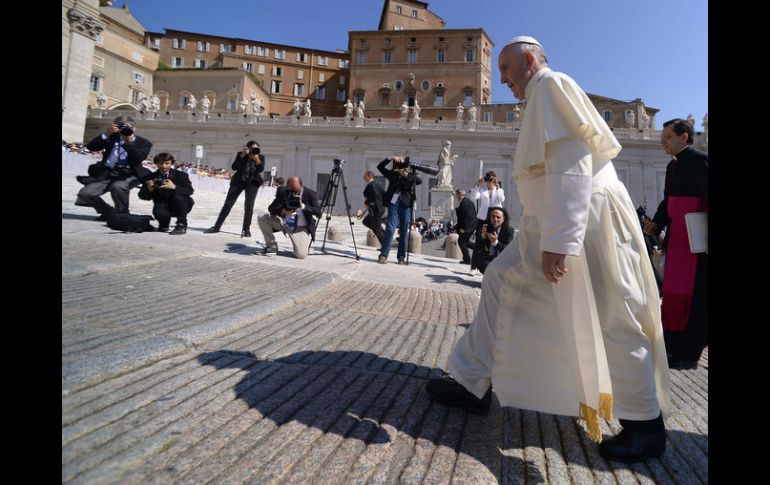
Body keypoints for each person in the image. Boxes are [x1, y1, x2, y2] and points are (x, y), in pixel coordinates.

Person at [426, 35, 670, 464]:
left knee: (613, 311)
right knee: (498, 282)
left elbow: (571, 165)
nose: (503, 80)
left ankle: (645, 424)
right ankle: (471, 382)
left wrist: (561, 241)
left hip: (584, 220)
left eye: (505, 69)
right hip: (552, 223)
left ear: (528, 59)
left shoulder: (552, 84)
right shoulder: (539, 96)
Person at [644, 118, 708, 371]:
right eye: (662, 138)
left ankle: (689, 353)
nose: (663, 142)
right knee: (673, 292)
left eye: (668, 137)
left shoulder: (701, 161)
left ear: (684, 137)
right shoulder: (672, 166)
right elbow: (667, 202)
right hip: (678, 239)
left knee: (695, 298)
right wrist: (656, 224)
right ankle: (673, 347)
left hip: (697, 243)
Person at [75, 116, 153, 219]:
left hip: (130, 173)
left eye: (126, 127)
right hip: (108, 173)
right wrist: (106, 134)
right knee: (85, 193)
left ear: (134, 128)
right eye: (120, 127)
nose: (123, 129)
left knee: (118, 186)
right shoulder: (111, 138)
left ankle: (122, 214)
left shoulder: (143, 142)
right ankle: (107, 212)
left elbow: (138, 158)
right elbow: (91, 147)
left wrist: (129, 142)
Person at [204, 141, 265, 237]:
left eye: (257, 149)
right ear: (248, 148)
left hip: (252, 183)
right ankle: (217, 227)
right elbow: (234, 167)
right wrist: (242, 155)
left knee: (249, 205)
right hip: (238, 181)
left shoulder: (260, 157)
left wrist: (256, 159)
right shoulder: (241, 154)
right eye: (253, 148)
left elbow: (260, 169)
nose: (255, 150)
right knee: (228, 203)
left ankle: (246, 230)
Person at [257, 176, 321, 258]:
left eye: (297, 191)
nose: (294, 193)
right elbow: (271, 208)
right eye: (292, 190)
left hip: (300, 228)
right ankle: (271, 246)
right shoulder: (283, 191)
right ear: (288, 186)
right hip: (284, 224)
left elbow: (318, 212)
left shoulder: (310, 194)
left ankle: (298, 245)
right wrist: (282, 211)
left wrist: (303, 206)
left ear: (301, 185)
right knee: (262, 217)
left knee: (301, 255)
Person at [377, 156, 423, 264]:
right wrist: (390, 158)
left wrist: (406, 174)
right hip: (394, 203)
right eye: (400, 167)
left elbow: (419, 181)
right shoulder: (392, 174)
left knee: (403, 231)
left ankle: (401, 256)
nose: (402, 168)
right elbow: (380, 167)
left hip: (406, 205)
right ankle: (383, 255)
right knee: (390, 229)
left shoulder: (410, 176)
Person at [137, 153, 194, 234]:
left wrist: (174, 187)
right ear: (156, 163)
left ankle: (182, 225)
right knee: (159, 212)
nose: (164, 166)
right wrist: (149, 189)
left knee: (179, 198)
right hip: (162, 204)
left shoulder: (181, 175)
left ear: (171, 163)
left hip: (181, 204)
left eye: (167, 163)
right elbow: (142, 196)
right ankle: (164, 224)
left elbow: (189, 191)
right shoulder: (150, 177)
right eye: (161, 163)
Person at [470, 171, 505, 274]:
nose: (489, 183)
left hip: (495, 218)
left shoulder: (499, 190)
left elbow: (502, 199)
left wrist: (497, 186)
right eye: (488, 181)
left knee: (493, 241)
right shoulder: (483, 190)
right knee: (479, 241)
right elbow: (473, 197)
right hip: (483, 218)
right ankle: (474, 267)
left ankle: (493, 265)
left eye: (491, 181)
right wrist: (477, 185)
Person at [472, 207, 513, 273]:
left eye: (498, 217)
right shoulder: (486, 228)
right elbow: (479, 247)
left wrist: (495, 242)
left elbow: (507, 249)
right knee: (483, 264)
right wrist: (482, 237)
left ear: (503, 219)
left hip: (503, 259)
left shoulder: (509, 230)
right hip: (489, 258)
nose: (495, 219)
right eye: (493, 217)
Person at [357, 171, 386, 246]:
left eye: (365, 176)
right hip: (379, 209)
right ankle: (384, 234)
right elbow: (384, 195)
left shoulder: (370, 185)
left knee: (376, 228)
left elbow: (371, 198)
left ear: (369, 176)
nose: (363, 177)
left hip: (376, 210)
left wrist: (361, 210)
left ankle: (385, 245)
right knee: (366, 221)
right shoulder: (378, 184)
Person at [454, 189, 477, 265]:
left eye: (456, 195)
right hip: (470, 226)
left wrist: (464, 228)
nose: (456, 197)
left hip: (467, 227)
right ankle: (478, 248)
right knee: (465, 242)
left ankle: (467, 260)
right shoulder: (467, 202)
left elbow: (466, 217)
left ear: (460, 194)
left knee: (462, 242)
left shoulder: (464, 203)